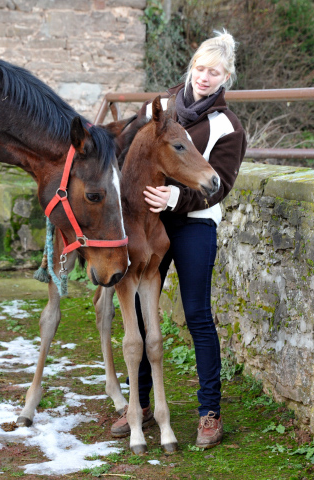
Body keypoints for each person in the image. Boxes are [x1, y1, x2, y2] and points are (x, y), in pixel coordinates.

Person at [111, 29, 247, 449]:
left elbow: (219, 185)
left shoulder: (228, 125)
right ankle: (141, 405)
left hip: (195, 223)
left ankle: (210, 412)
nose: (205, 78)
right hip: (149, 221)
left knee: (197, 314)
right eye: (201, 69)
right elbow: (124, 145)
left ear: (227, 78)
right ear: (192, 68)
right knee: (136, 307)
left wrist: (177, 196)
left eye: (215, 72)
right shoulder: (163, 107)